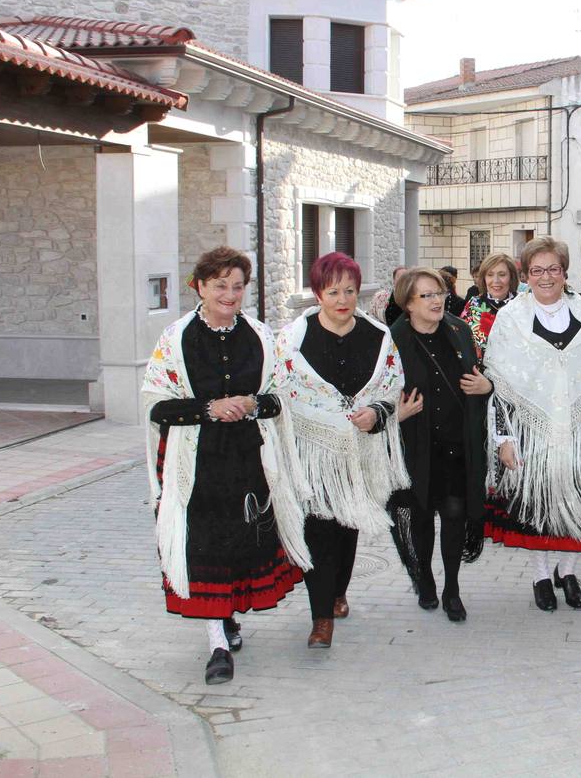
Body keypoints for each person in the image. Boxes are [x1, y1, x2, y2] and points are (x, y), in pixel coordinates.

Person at [141, 246, 311, 686]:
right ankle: (216, 642)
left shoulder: (260, 336)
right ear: (199, 286)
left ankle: (229, 617)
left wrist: (253, 403)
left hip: (248, 460)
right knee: (205, 548)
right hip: (196, 464)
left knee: (240, 543)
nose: (230, 294)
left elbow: (282, 398)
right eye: (220, 285)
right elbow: (155, 405)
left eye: (237, 286)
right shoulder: (175, 339)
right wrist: (209, 408)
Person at [275, 253, 411, 648]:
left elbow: (391, 389)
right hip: (312, 457)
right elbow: (279, 391)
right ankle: (321, 620)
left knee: (346, 529)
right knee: (318, 528)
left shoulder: (377, 337)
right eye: (332, 291)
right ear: (317, 293)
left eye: (349, 291)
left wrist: (378, 414)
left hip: (359, 456)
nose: (342, 299)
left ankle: (337, 593)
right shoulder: (292, 341)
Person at [482, 236, 581, 611]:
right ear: (526, 276)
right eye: (537, 270)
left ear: (564, 272)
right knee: (537, 507)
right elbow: (497, 385)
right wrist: (504, 439)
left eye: (553, 269)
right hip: (530, 432)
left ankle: (569, 571)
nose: (546, 277)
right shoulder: (510, 318)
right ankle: (541, 575)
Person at [387, 268, 493, 621]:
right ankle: (426, 578)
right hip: (415, 446)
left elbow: (480, 375)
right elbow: (378, 393)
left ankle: (452, 588)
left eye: (440, 293)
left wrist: (486, 387)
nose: (437, 301)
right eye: (427, 295)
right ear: (408, 303)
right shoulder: (393, 340)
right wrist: (395, 414)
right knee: (419, 518)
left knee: (453, 515)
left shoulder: (459, 330)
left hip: (455, 443)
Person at [459, 252, 519, 359]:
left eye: (502, 275)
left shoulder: (523, 304)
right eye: (490, 275)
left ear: (511, 276)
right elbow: (462, 343)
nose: (496, 281)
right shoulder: (474, 304)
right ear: (484, 278)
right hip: (478, 373)